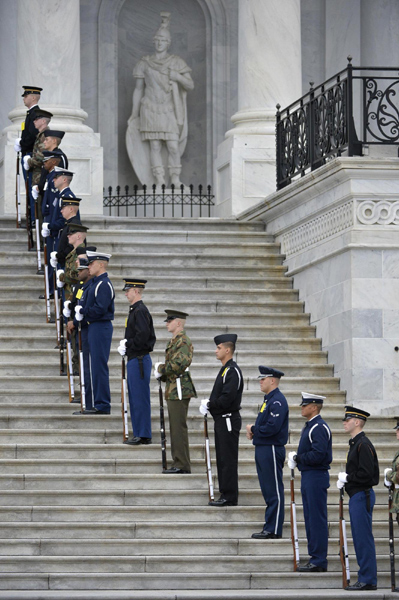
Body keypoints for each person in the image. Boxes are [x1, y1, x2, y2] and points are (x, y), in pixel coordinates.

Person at [127, 11, 194, 186]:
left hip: (169, 108)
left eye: (163, 40)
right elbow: (138, 90)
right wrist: (134, 114)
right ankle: (158, 180)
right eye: (157, 40)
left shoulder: (176, 62)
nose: (159, 43)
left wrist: (178, 77)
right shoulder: (144, 63)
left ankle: (175, 178)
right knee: (155, 146)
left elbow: (190, 85)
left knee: (172, 145)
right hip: (149, 107)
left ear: (169, 43)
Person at [288, 392, 332, 573]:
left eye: (305, 405)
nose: (302, 407)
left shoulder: (318, 427)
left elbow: (319, 454)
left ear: (314, 407)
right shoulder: (311, 426)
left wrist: (299, 458)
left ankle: (319, 559)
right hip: (309, 476)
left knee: (316, 518)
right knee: (310, 517)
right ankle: (315, 556)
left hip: (315, 475)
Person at [337, 406, 379, 591]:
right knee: (360, 538)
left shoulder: (363, 444)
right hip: (357, 495)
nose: (345, 422)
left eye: (348, 420)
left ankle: (368, 579)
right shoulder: (356, 443)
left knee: (363, 539)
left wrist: (348, 478)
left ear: (357, 422)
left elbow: (368, 475)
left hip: (362, 495)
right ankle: (366, 577)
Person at [246, 366, 288, 539]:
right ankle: (270, 525)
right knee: (267, 489)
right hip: (263, 447)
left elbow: (272, 427)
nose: (260, 381)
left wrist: (253, 428)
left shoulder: (277, 401)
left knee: (274, 490)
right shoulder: (268, 400)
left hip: (270, 447)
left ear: (272, 380)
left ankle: (274, 528)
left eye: (263, 379)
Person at [155, 310, 196, 473]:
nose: (167, 323)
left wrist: (161, 369)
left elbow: (178, 364)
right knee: (175, 427)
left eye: (170, 320)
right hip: (173, 388)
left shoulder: (183, 341)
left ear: (178, 323)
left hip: (180, 389)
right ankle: (178, 461)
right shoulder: (175, 341)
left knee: (178, 427)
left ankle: (182, 464)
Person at [204, 333, 243, 506]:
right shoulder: (225, 369)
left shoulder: (232, 371)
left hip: (228, 419)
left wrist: (210, 404)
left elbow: (227, 399)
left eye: (219, 348)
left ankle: (229, 495)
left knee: (227, 458)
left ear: (228, 350)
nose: (216, 351)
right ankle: (225, 493)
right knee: (222, 458)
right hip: (222, 420)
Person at [74, 250, 114, 415]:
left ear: (101, 264)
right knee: (93, 365)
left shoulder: (103, 284)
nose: (88, 266)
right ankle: (96, 402)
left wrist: (83, 311)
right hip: (93, 326)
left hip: (100, 325)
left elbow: (100, 309)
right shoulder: (95, 283)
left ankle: (102, 404)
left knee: (98, 365)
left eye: (91, 263)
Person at [117, 278, 156, 445]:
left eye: (128, 290)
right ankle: (140, 432)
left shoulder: (139, 311)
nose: (126, 293)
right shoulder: (135, 310)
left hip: (139, 358)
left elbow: (142, 337)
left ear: (136, 291)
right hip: (135, 358)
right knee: (135, 397)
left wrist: (128, 344)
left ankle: (143, 433)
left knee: (140, 397)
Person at [14, 85, 42, 223]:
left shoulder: (35, 114)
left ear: (33, 97)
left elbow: (32, 136)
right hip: (27, 153)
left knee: (32, 186)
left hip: (30, 155)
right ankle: (31, 215)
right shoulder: (30, 114)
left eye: (25, 96)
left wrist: (22, 143)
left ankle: (33, 218)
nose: (24, 99)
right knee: (29, 185)